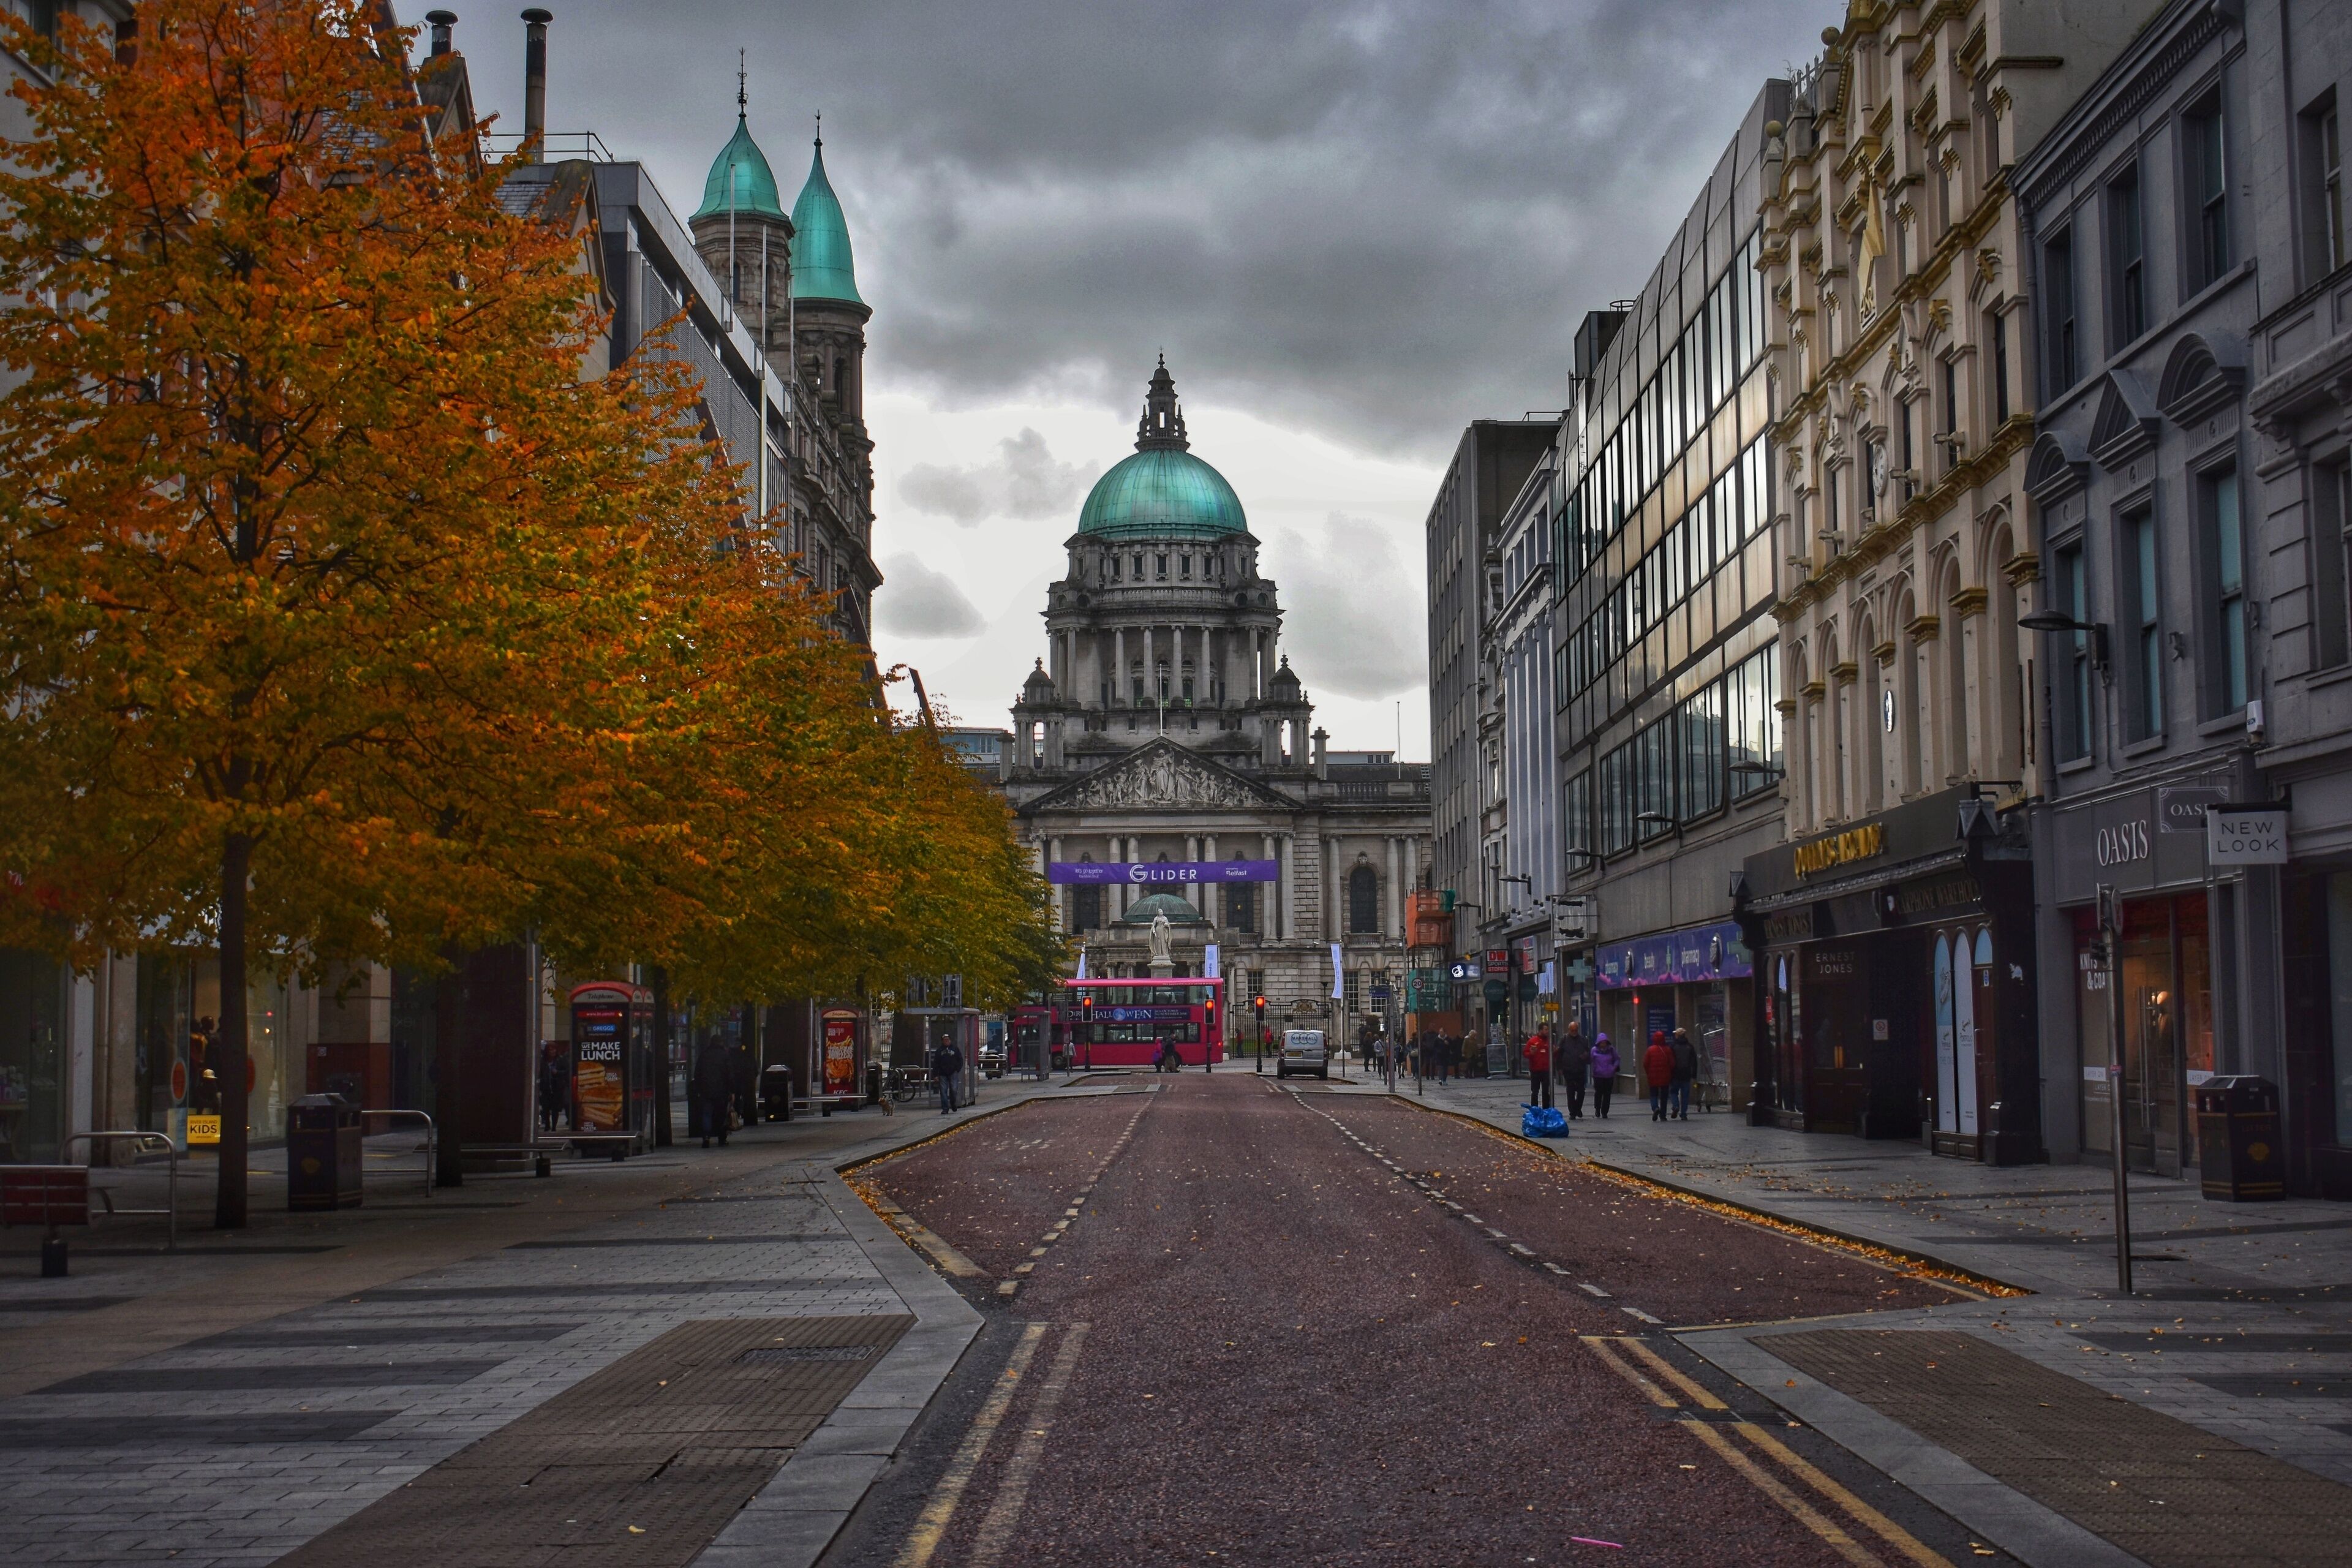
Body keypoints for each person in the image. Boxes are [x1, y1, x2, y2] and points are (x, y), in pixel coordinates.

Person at [693, 1040, 734, 1148]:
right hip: (722, 1092)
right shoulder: (725, 1056)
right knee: (721, 1115)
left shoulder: (704, 1055)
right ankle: (722, 1138)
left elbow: (697, 1073)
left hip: (706, 1091)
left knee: (707, 1113)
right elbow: (730, 1075)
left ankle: (706, 1136)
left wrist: (699, 1089)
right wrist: (731, 1091)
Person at [1558, 1024, 1591, 1119]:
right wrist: (1559, 1068)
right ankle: (1573, 1112)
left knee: (1581, 1091)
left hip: (1580, 1069)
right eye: (1572, 1030)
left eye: (1576, 1030)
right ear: (1569, 1030)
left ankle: (1577, 1108)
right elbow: (1559, 1054)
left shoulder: (1583, 1040)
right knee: (1571, 1091)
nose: (1574, 1032)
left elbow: (1588, 1053)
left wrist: (1586, 1056)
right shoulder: (1564, 1040)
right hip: (1568, 1069)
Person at [1643, 1030, 1676, 1121]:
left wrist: (1649, 1073)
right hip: (1665, 1077)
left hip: (1653, 1077)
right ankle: (1663, 1115)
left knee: (1653, 1094)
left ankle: (1655, 1108)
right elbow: (1672, 1064)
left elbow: (1645, 1063)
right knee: (1664, 1097)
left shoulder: (1650, 1050)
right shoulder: (1668, 1050)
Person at [1669, 1027, 1699, 1121]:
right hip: (1686, 1074)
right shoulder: (1690, 1047)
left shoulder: (1673, 1046)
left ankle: (1676, 1106)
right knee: (1685, 1095)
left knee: (1673, 1092)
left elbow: (1670, 1061)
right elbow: (1694, 1062)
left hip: (1675, 1074)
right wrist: (1694, 1074)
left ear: (1677, 1035)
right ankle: (1684, 1114)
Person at [930, 1036, 965, 1114]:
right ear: (942, 1041)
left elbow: (960, 1060)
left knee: (954, 1090)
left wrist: (957, 1069)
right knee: (943, 1091)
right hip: (943, 1074)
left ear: (950, 1040)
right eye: (945, 1040)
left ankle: (953, 1103)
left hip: (953, 1073)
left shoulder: (955, 1049)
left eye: (948, 1039)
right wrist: (935, 1075)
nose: (946, 1041)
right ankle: (945, 1108)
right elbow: (936, 1063)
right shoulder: (939, 1051)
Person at [539, 1042, 568, 1133]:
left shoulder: (560, 1060)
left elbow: (566, 1071)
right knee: (546, 1108)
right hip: (546, 1088)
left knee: (555, 1108)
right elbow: (540, 1073)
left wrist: (558, 1073)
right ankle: (547, 1125)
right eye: (550, 1050)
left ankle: (554, 1127)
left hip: (557, 1088)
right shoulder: (543, 1062)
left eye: (554, 1049)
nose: (553, 1052)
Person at [1589, 1034, 1618, 1118]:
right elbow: (1590, 1060)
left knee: (1607, 1094)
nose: (1603, 1044)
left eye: (1605, 1042)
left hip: (1609, 1075)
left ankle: (1605, 1112)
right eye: (1601, 1043)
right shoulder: (1594, 1050)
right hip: (1598, 1076)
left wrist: (1613, 1068)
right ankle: (1597, 1109)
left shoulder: (1611, 1050)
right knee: (1598, 1093)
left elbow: (1617, 1059)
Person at [1523, 1027, 1553, 1109]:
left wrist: (1555, 1051)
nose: (1547, 1031)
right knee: (1535, 1091)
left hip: (1546, 1070)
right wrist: (1531, 1053)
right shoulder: (1533, 1041)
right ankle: (1534, 1108)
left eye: (1548, 1030)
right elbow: (1525, 1053)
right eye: (1546, 1029)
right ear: (1540, 1031)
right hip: (1535, 1070)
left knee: (1546, 1091)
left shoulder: (1549, 1041)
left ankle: (1546, 1109)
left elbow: (1553, 1054)